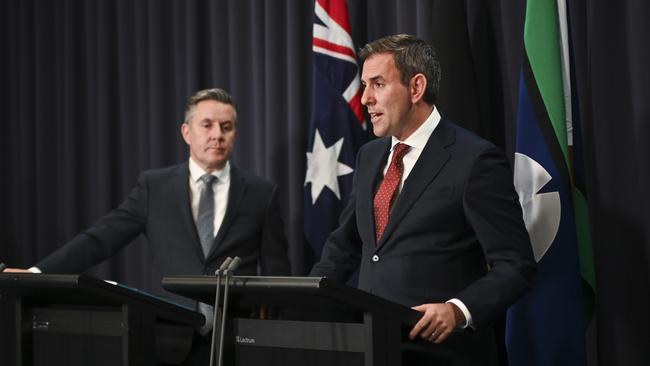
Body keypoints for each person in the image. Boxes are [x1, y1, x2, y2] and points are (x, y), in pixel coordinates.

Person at [4, 88, 291, 364]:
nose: (217, 135)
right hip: (170, 339)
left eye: (226, 127)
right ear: (186, 132)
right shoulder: (155, 187)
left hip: (238, 343)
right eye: (207, 125)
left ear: (235, 134)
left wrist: (271, 340)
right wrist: (36, 273)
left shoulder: (261, 193)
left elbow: (278, 275)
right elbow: (101, 238)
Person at [310, 34, 536, 365]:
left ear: (416, 88)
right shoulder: (370, 156)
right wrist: (305, 296)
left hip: (444, 353)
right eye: (364, 85)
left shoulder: (474, 159)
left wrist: (458, 310)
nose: (365, 98)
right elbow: (345, 246)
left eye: (378, 84)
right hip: (375, 347)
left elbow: (516, 265)